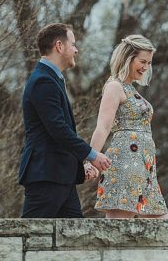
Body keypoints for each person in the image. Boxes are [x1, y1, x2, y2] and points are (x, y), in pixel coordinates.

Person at [18, 23, 111, 218]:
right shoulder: (43, 81)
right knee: (30, 233)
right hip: (46, 176)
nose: (76, 50)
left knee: (76, 235)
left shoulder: (51, 78)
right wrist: (92, 155)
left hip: (60, 176)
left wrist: (79, 167)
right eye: (73, 44)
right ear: (59, 46)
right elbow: (58, 129)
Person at [88, 34, 168, 218]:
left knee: (165, 227)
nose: (146, 67)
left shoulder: (131, 89)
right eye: (142, 61)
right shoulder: (114, 86)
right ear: (127, 58)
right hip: (125, 166)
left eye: (149, 63)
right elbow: (103, 126)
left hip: (145, 169)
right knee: (117, 229)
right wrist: (90, 159)